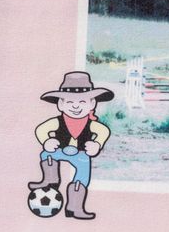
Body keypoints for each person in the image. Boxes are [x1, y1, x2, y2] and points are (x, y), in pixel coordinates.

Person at [30, 70, 114, 220]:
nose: (76, 106)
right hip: (60, 150)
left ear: (92, 103)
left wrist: (97, 144)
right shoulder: (57, 121)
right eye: (70, 102)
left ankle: (74, 207)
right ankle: (50, 179)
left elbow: (104, 132)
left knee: (83, 175)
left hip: (81, 154)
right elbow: (41, 129)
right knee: (46, 154)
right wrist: (46, 141)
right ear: (61, 104)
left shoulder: (91, 124)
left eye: (82, 102)